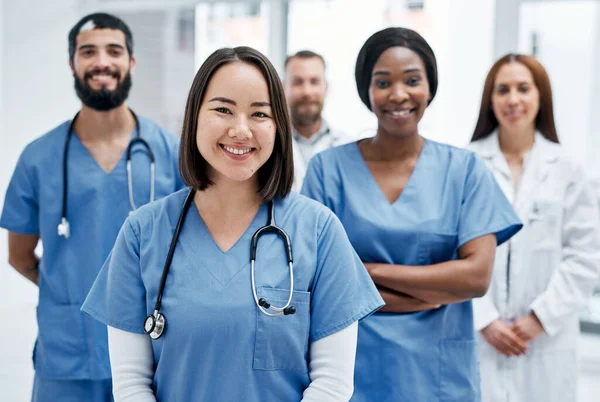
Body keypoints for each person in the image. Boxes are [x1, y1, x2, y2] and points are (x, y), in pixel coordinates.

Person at [81, 46, 384, 402]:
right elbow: (132, 384)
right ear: (195, 116)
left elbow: (332, 384)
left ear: (278, 127)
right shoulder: (142, 232)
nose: (241, 130)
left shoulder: (318, 230)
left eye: (259, 114)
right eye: (223, 109)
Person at [301, 27, 523, 402]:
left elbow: (475, 277)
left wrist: (366, 274)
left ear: (430, 88)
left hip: (437, 377)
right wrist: (430, 290)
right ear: (366, 90)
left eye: (413, 80)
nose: (399, 94)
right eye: (383, 81)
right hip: (351, 369)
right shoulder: (327, 170)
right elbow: (319, 284)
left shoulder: (464, 171)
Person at [0, 13, 183, 402]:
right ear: (72, 64)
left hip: (152, 348)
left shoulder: (171, 153)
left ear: (131, 62)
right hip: (68, 355)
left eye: (114, 51)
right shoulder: (39, 158)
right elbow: (19, 256)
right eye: (88, 51)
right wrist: (74, 292)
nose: (102, 61)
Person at [468, 54, 600, 402]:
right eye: (503, 90)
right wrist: (486, 320)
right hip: (482, 335)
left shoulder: (567, 169)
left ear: (540, 97)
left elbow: (585, 256)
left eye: (523, 89)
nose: (513, 99)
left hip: (546, 340)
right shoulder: (469, 165)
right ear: (490, 99)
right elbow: (455, 249)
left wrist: (540, 319)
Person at [283, 50, 346, 190]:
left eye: (314, 82)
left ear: (326, 87)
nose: (307, 92)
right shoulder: (269, 143)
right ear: (283, 87)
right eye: (297, 82)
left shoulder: (345, 145)